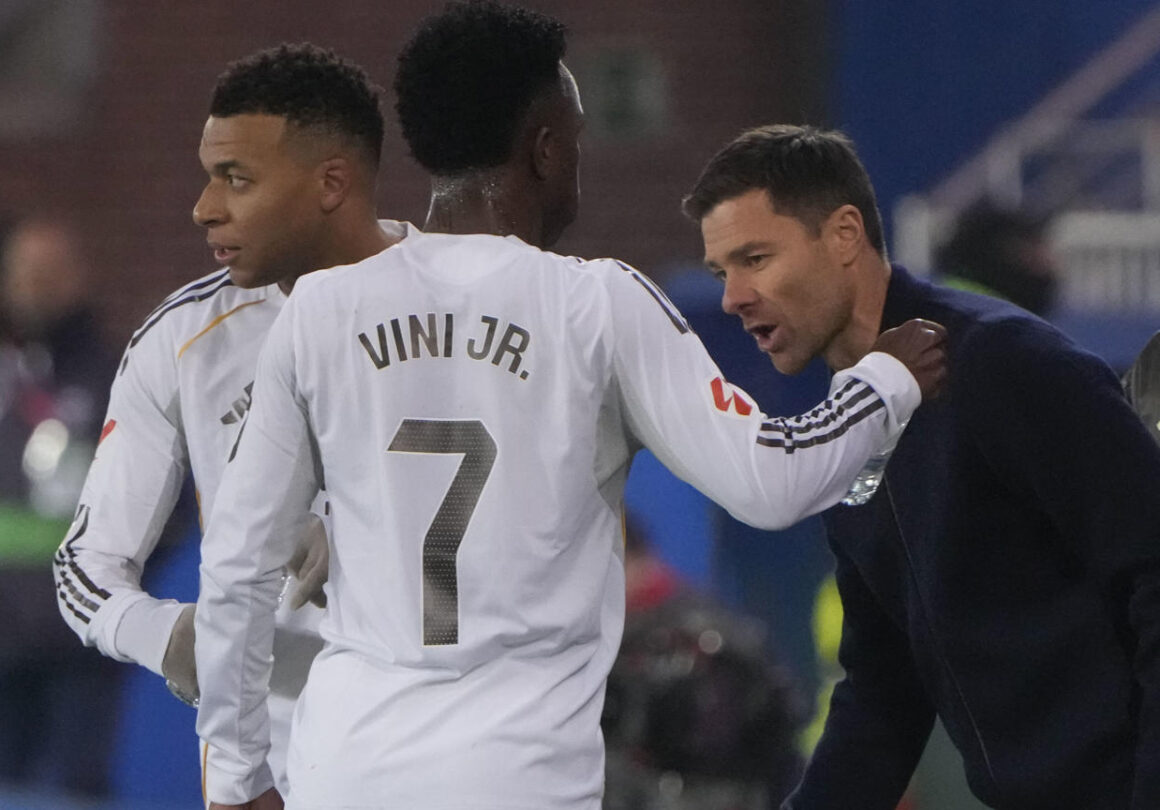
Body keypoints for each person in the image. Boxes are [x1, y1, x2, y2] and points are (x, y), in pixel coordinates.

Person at [193, 5, 946, 810]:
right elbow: (775, 481)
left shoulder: (321, 309)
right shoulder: (594, 305)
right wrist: (885, 380)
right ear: (546, 150)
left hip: (342, 767)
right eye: (576, 138)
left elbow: (238, 566)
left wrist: (237, 778)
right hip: (517, 777)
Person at [683, 123, 1160, 809]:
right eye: (720, 272)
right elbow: (882, 691)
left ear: (845, 236)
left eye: (755, 258)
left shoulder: (1006, 364)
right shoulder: (846, 427)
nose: (733, 297)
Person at [51, 42, 411, 800]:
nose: (203, 207)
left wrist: (367, 522)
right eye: (209, 176)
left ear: (331, 183)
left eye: (236, 179)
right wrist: (174, 638)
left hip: (438, 735)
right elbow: (84, 567)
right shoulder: (180, 344)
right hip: (267, 760)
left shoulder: (466, 302)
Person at [0, 215, 123, 796]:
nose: (31, 287)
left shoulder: (117, 375)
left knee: (79, 788)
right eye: (20, 273)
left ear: (78, 277)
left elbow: (162, 505)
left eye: (46, 273)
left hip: (83, 638)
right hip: (4, 636)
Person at [935, 202, 1060, 317]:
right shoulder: (993, 322)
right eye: (1035, 247)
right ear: (1010, 253)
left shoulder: (946, 302)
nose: (1049, 260)